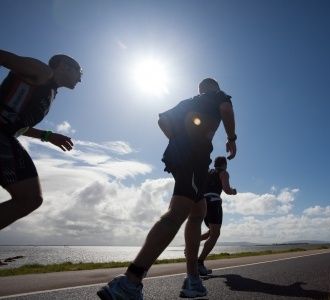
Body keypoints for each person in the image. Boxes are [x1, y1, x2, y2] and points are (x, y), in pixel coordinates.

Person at [97, 78, 237, 300]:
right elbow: (226, 109)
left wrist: (177, 140)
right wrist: (231, 138)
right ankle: (129, 282)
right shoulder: (217, 95)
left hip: (184, 156)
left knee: (198, 211)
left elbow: (162, 120)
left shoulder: (187, 102)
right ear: (213, 87)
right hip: (194, 155)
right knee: (178, 212)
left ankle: (193, 279)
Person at [0, 50, 81, 231]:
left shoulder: (49, 90)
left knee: (30, 199)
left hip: (6, 135)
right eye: (79, 72)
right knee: (29, 198)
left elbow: (17, 123)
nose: (80, 79)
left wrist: (48, 136)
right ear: (65, 66)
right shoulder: (43, 72)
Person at [197, 156, 237, 276]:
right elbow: (226, 189)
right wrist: (233, 191)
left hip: (202, 202)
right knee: (215, 234)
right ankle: (199, 262)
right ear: (224, 164)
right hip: (214, 202)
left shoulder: (208, 172)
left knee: (211, 232)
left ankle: (193, 240)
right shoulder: (223, 172)